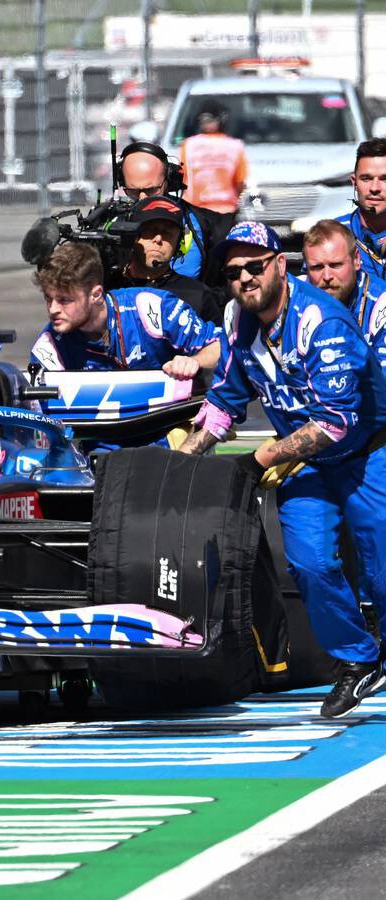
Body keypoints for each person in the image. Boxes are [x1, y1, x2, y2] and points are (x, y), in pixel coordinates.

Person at [179, 221, 386, 719]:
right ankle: (359, 660)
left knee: (381, 565)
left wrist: (261, 459)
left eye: (254, 266)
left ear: (279, 265)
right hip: (307, 463)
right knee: (309, 562)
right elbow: (225, 400)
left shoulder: (322, 320)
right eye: (234, 271)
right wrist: (182, 460)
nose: (245, 278)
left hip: (367, 451)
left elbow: (336, 422)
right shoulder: (236, 317)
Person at [29, 242, 220, 378]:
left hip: (167, 419)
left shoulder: (152, 307)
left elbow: (220, 346)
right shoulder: (49, 345)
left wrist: (194, 361)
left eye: (64, 300)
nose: (53, 309)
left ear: (96, 294)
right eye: (48, 298)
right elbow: (37, 410)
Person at [117, 141, 221, 284]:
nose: (142, 198)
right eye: (133, 191)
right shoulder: (114, 218)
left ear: (169, 180)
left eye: (151, 190)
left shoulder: (197, 221)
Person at [113, 195, 224, 324]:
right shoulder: (108, 284)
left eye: (168, 232)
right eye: (150, 230)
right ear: (131, 236)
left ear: (179, 244)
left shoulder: (198, 295)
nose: (158, 239)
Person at [303, 219, 386, 371]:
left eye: (336, 265)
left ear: (356, 260)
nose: (327, 276)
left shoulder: (382, 301)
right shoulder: (295, 298)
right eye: (317, 267)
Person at [180, 103, 248, 231]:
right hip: (226, 210)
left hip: (196, 209)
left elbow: (183, 177)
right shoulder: (235, 146)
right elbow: (240, 182)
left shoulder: (188, 145)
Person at [336, 139, 386, 280]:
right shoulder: (333, 234)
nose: (374, 188)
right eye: (366, 179)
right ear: (354, 182)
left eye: (384, 179)